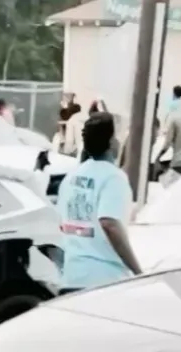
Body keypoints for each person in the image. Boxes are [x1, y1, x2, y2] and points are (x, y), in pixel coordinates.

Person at [58, 112, 141, 293]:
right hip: (104, 282)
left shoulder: (71, 177)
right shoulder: (114, 177)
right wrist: (138, 272)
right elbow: (110, 224)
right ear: (111, 142)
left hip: (71, 279)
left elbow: (61, 225)